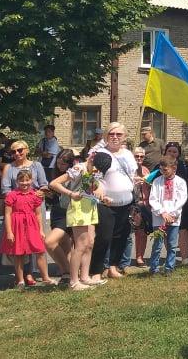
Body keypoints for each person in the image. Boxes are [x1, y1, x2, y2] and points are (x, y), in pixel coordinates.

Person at [87, 122, 138, 282]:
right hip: (106, 203)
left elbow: (131, 174)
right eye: (111, 134)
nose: (115, 137)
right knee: (104, 237)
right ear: (106, 136)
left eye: (119, 134)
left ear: (124, 137)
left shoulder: (128, 154)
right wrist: (99, 190)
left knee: (121, 236)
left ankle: (113, 267)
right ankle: (96, 270)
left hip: (126, 202)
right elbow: (93, 177)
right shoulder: (100, 154)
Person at [50, 152, 109, 289]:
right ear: (92, 159)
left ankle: (85, 277)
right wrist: (71, 193)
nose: (97, 170)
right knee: (81, 245)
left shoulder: (94, 170)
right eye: (97, 167)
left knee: (90, 243)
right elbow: (54, 183)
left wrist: (103, 197)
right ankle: (74, 281)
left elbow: (92, 188)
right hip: (78, 209)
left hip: (90, 207)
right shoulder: (79, 168)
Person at [1, 170, 55, 288]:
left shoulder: (35, 195)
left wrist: (41, 230)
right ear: (17, 181)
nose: (25, 183)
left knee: (40, 250)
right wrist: (9, 232)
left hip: (32, 225)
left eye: (27, 180)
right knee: (18, 253)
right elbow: (8, 214)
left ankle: (45, 277)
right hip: (17, 225)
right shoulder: (12, 195)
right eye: (21, 180)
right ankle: (20, 280)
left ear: (31, 180)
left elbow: (38, 214)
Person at [148, 156, 188, 276]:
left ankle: (169, 267)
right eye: (161, 169)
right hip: (159, 217)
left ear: (174, 168)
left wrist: (172, 214)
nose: (162, 172)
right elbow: (153, 198)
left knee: (172, 244)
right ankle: (154, 268)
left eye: (165, 170)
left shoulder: (180, 182)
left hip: (174, 218)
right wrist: (162, 212)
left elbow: (181, 199)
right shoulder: (157, 181)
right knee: (157, 244)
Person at [158, 142, 188, 265]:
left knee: (183, 230)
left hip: (183, 203)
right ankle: (171, 258)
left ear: (179, 153)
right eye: (169, 151)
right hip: (165, 205)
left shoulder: (185, 165)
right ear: (165, 152)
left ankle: (185, 258)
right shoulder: (160, 166)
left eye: (175, 151)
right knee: (167, 230)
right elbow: (150, 181)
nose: (172, 153)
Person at [42, 149, 77, 278]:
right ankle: (67, 273)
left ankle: (68, 271)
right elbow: (54, 198)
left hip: (70, 212)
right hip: (57, 212)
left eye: (63, 164)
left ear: (70, 164)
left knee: (50, 242)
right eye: (58, 163)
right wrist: (49, 194)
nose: (60, 166)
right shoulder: (55, 173)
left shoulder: (74, 174)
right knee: (64, 245)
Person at [131, 147, 151, 267]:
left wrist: (147, 182)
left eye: (141, 156)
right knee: (130, 233)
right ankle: (123, 259)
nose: (139, 158)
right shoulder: (129, 169)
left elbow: (151, 185)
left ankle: (140, 257)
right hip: (132, 203)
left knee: (143, 232)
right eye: (136, 156)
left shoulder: (146, 170)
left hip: (145, 203)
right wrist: (135, 180)